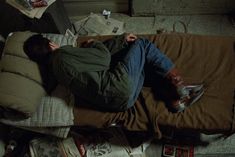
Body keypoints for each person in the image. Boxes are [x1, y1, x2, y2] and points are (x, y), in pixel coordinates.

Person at [23, 33, 204, 113]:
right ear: (51, 44)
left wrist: (120, 40)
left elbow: (99, 63)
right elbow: (102, 58)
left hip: (121, 103)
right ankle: (180, 85)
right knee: (143, 45)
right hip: (118, 85)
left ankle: (173, 100)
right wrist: (92, 43)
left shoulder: (54, 74)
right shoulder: (62, 54)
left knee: (143, 64)